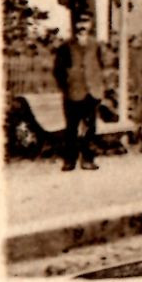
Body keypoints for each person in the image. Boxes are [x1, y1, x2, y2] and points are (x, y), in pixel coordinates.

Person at [52, 16, 105, 171]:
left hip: (92, 91)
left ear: (90, 25)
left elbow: (100, 65)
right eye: (79, 22)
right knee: (71, 128)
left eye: (85, 22)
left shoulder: (95, 45)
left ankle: (88, 159)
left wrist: (98, 85)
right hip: (73, 92)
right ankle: (70, 160)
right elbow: (58, 70)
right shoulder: (66, 46)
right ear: (75, 25)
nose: (82, 26)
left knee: (90, 128)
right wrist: (67, 86)